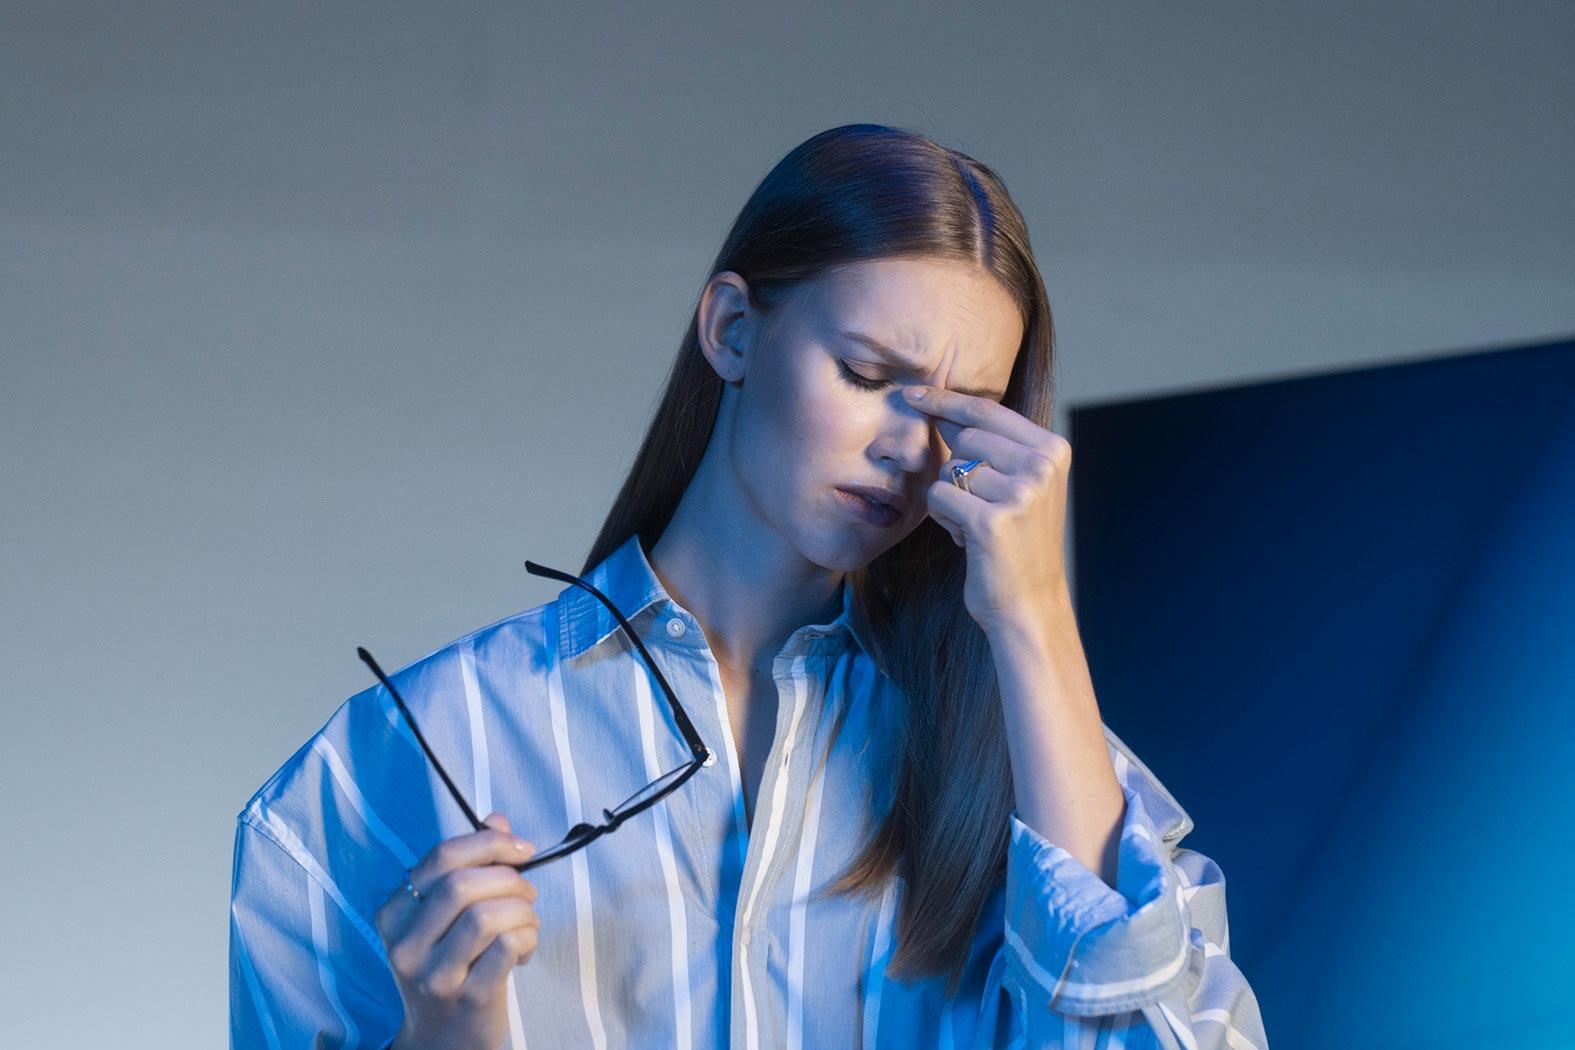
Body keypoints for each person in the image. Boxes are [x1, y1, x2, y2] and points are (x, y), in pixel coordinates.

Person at [229, 123, 1269, 1050]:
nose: (914, 451)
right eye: (868, 377)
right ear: (732, 330)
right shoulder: (389, 766)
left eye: (964, 412)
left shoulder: (1041, 770)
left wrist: (1035, 619)